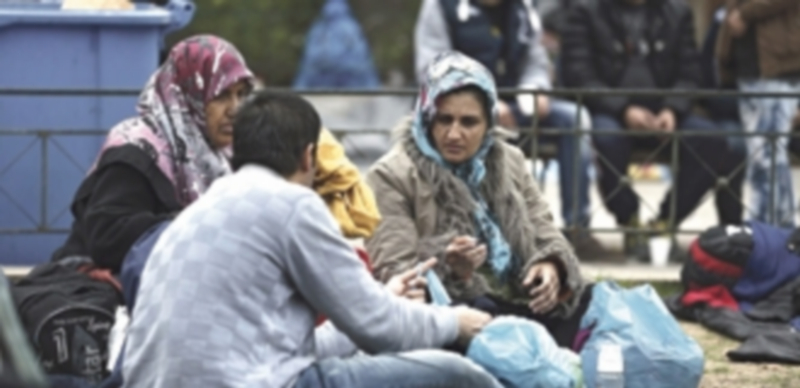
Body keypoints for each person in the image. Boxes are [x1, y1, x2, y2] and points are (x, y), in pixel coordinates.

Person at [121, 90, 501, 388]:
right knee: (457, 375)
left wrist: (384, 299)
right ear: (309, 157)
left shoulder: (201, 210)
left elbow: (294, 351)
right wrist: (454, 321)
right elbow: (379, 329)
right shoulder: (291, 204)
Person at [366, 52, 589, 348]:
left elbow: (545, 232)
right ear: (427, 116)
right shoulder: (392, 174)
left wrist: (551, 266)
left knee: (593, 305)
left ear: (488, 124)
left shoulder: (510, 161)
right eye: (444, 119)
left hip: (517, 299)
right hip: (451, 313)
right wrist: (446, 262)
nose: (454, 134)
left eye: (469, 122)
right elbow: (395, 274)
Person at [50, 35, 254, 273]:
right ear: (188, 94)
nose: (235, 110)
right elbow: (107, 237)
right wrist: (190, 223)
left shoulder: (223, 155)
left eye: (241, 95)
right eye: (221, 96)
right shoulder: (138, 149)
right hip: (101, 282)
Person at [561, 0, 744, 261]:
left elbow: (691, 72)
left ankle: (664, 222)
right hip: (609, 110)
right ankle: (630, 219)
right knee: (605, 139)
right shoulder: (585, 10)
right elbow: (578, 73)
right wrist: (624, 109)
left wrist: (672, 109)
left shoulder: (677, 11)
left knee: (712, 141)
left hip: (666, 112)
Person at [414, 0, 601, 255]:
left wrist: (535, 90)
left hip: (516, 105)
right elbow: (431, 68)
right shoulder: (439, 6)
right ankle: (484, 233)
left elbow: (536, 60)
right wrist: (482, 101)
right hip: (461, 109)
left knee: (574, 119)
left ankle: (578, 228)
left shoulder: (523, 7)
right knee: (473, 129)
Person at [716, 0, 800, 227]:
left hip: (778, 64)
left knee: (767, 156)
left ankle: (765, 231)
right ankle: (780, 231)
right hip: (750, 63)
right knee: (765, 155)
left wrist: (744, 14)